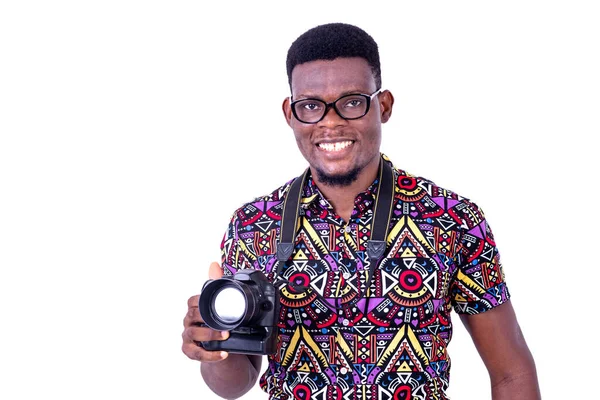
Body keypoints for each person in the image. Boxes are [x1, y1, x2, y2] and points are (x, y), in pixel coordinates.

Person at [182, 22, 541, 400]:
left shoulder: (453, 218)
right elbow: (236, 383)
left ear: (382, 106)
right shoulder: (252, 225)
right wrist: (213, 344)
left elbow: (511, 372)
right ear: (290, 113)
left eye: (352, 101)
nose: (330, 122)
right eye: (310, 106)